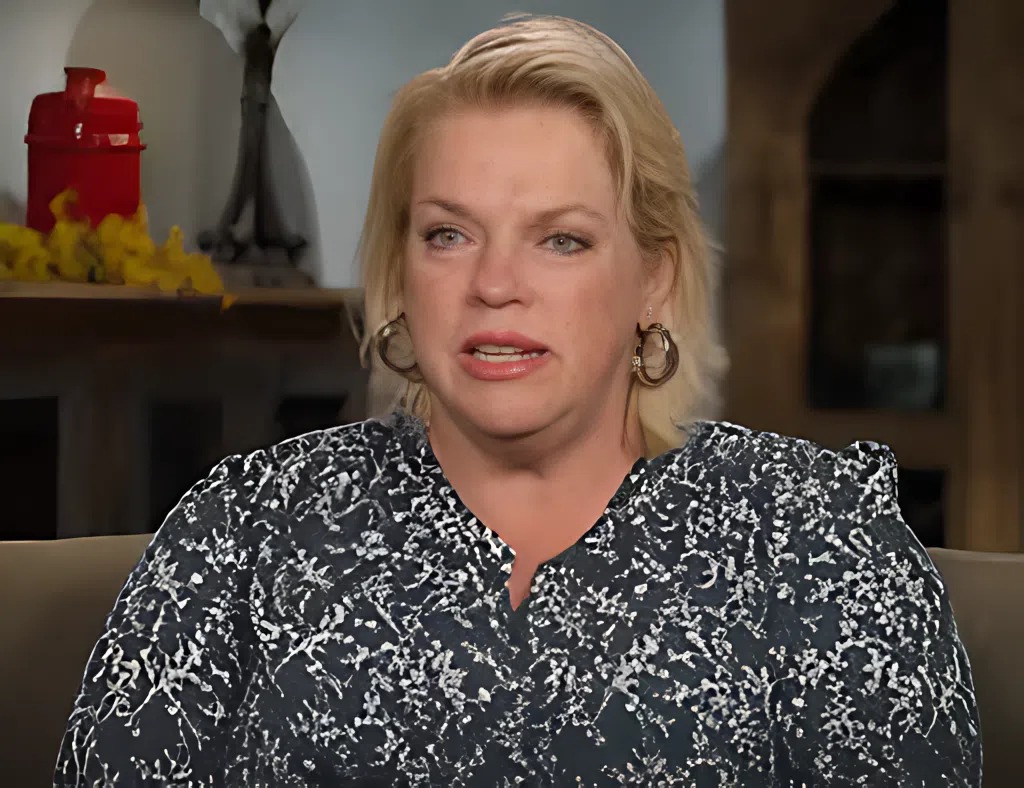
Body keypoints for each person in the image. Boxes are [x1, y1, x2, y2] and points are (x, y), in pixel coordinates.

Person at [55, 15, 981, 787]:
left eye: (561, 240)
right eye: (448, 234)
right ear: (400, 269)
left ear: (654, 277)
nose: (495, 285)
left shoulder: (814, 536)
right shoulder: (245, 530)